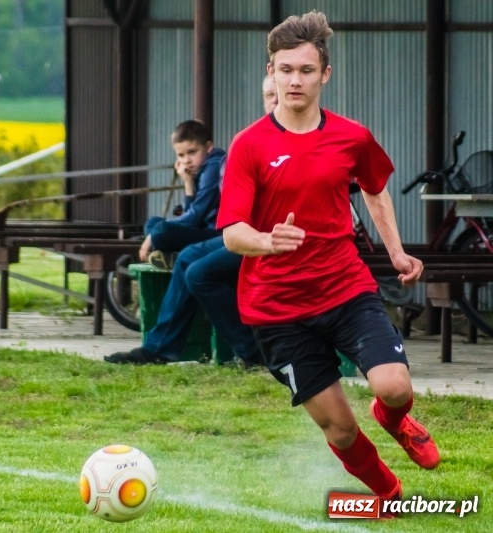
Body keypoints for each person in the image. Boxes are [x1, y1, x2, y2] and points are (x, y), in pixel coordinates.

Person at [218, 11, 438, 517]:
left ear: (325, 75)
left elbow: (375, 188)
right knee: (338, 427)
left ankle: (394, 418)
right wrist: (267, 242)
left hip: (343, 288)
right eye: (285, 69)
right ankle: (388, 494)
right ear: (270, 72)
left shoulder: (351, 137)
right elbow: (232, 234)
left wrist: (396, 251)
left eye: (306, 70)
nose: (295, 80)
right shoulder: (249, 145)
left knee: (394, 385)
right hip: (276, 310)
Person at [104, 77, 278, 366]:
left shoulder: (300, 136)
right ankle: (159, 348)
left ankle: (250, 352)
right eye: (267, 94)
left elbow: (200, 213)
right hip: (242, 232)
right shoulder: (252, 140)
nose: (272, 100)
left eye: (277, 93)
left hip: (276, 237)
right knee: (187, 258)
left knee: (198, 270)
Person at [138, 120, 224, 269]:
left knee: (160, 231)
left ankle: (175, 257)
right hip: (203, 227)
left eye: (192, 152)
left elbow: (196, 216)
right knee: (152, 223)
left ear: (208, 147)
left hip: (217, 235)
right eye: (181, 155)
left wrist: (153, 236)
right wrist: (188, 183)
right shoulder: (200, 167)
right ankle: (172, 257)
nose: (187, 161)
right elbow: (191, 214)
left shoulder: (214, 166)